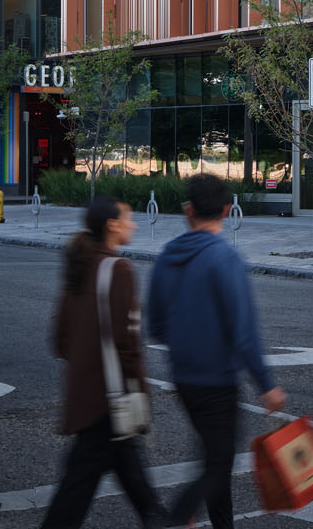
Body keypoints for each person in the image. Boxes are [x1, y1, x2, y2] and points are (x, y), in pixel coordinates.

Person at [147, 174, 286, 529]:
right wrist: (266, 385)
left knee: (214, 459)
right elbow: (243, 332)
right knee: (217, 464)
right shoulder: (225, 258)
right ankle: (172, 519)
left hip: (183, 377)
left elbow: (156, 326)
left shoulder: (166, 256)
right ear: (227, 210)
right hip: (217, 380)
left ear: (188, 209)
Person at [40, 197, 164, 529]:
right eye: (128, 218)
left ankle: (160, 518)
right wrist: (139, 390)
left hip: (86, 393)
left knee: (126, 469)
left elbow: (60, 339)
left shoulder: (80, 265)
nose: (133, 224)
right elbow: (127, 344)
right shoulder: (118, 269)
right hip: (108, 399)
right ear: (112, 225)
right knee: (78, 486)